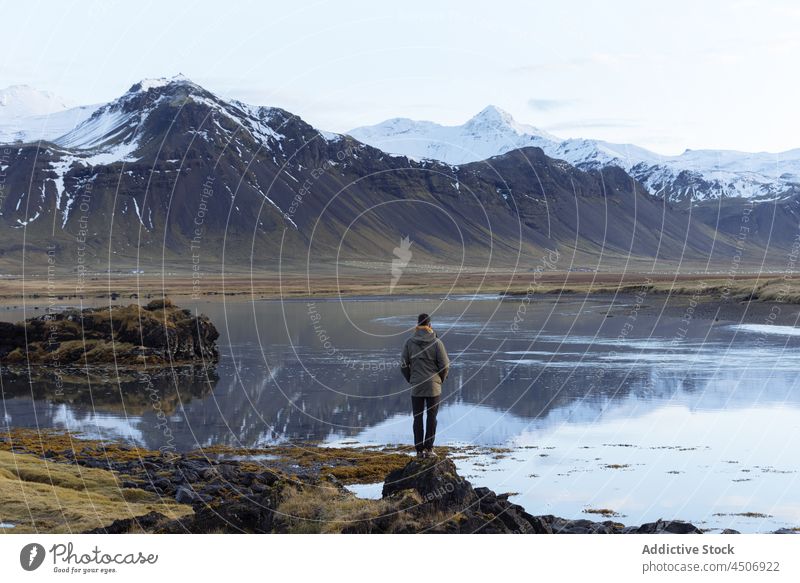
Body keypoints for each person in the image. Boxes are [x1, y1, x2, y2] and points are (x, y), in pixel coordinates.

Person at [401, 313, 450, 458]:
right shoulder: (437, 342)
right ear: (430, 325)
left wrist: (411, 379)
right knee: (431, 417)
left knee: (417, 418)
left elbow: (403, 365)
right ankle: (429, 450)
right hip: (433, 386)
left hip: (417, 385)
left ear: (417, 325)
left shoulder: (409, 342)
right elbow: (445, 365)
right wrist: (439, 379)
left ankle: (419, 451)